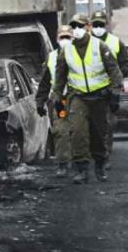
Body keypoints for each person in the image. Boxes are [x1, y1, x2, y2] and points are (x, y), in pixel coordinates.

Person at [51, 14, 124, 184]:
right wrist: (56, 97)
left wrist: (114, 93)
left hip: (99, 96)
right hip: (78, 96)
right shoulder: (66, 51)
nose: (77, 30)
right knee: (77, 131)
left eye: (80, 26)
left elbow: (114, 70)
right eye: (74, 26)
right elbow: (60, 76)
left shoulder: (100, 46)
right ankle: (82, 169)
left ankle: (99, 163)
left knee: (99, 134)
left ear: (88, 27)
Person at [90, 10, 127, 168]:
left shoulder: (115, 42)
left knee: (108, 122)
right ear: (91, 25)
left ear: (106, 25)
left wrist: (116, 76)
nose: (98, 27)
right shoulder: (84, 42)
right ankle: (94, 155)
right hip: (88, 89)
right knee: (90, 123)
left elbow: (125, 64)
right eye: (95, 24)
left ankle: (105, 156)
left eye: (101, 24)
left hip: (109, 88)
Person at [36, 26, 73, 177]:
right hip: (59, 101)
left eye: (67, 37)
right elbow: (45, 81)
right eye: (62, 37)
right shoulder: (51, 57)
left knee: (79, 131)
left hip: (78, 99)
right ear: (57, 39)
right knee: (60, 131)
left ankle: (82, 162)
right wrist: (40, 101)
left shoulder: (80, 54)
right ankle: (63, 164)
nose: (65, 40)